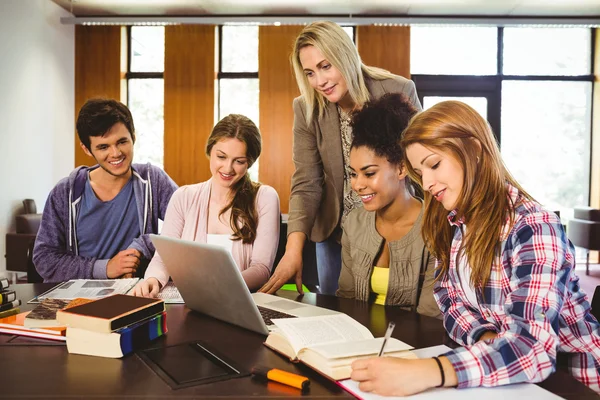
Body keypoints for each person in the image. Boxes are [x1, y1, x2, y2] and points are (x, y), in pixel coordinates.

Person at [350, 101, 600, 395]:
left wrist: (430, 370)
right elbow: (449, 301)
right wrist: (486, 337)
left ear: (475, 151)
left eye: (434, 164)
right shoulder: (455, 224)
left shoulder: (533, 227)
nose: (427, 183)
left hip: (571, 386)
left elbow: (532, 348)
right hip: (509, 379)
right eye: (420, 171)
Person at [260, 20, 422, 296]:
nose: (320, 81)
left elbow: (420, 162)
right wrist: (293, 250)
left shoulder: (397, 90)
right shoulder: (306, 107)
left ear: (345, 56)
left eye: (326, 66)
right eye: (309, 73)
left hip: (392, 225)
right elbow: (306, 181)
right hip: (335, 233)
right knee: (338, 312)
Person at [132, 114, 280, 297]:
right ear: (210, 151)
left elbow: (261, 268)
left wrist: (220, 287)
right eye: (221, 157)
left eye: (239, 161)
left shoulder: (265, 197)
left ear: (249, 162)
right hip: (190, 304)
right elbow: (163, 258)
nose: (227, 168)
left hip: (240, 302)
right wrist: (152, 280)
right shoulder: (183, 197)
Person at [33, 99, 178, 282]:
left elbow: (188, 228)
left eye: (122, 142)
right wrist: (105, 268)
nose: (116, 153)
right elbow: (44, 259)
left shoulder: (153, 180)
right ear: (86, 149)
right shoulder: (65, 193)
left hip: (137, 296)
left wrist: (144, 245)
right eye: (103, 147)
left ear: (133, 136)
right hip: (80, 299)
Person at [336, 93, 439, 318]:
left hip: (413, 348)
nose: (358, 184)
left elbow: (430, 318)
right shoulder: (354, 222)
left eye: (369, 173)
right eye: (353, 174)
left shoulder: (434, 228)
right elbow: (345, 301)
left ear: (402, 169)